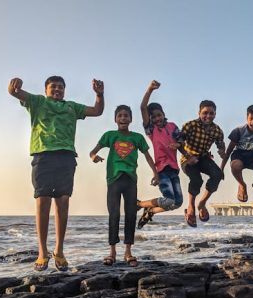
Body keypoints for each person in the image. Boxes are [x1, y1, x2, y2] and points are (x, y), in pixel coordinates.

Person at [8, 76, 104, 271]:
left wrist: (99, 94)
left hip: (66, 157)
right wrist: (14, 86)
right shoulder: (37, 102)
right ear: (46, 90)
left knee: (63, 202)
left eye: (61, 87)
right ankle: (42, 252)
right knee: (42, 201)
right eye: (53, 87)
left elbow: (97, 111)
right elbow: (15, 93)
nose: (57, 90)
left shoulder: (72, 107)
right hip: (42, 156)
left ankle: (59, 251)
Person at [89, 105, 158, 267]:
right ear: (115, 119)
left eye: (126, 116)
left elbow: (148, 156)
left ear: (131, 119)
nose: (123, 118)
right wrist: (94, 157)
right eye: (120, 116)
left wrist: (156, 173)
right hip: (113, 179)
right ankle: (112, 251)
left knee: (130, 214)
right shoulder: (110, 136)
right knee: (114, 214)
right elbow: (93, 151)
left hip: (130, 179)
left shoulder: (137, 138)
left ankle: (128, 251)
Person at [135, 80, 184, 229]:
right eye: (153, 117)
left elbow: (182, 141)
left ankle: (150, 212)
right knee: (169, 200)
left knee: (178, 203)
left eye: (159, 115)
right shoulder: (152, 130)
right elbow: (143, 107)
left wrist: (178, 144)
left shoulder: (172, 126)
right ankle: (140, 204)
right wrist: (150, 89)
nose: (157, 119)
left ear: (163, 114)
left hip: (174, 169)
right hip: (161, 169)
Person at [181, 100, 227, 227]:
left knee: (218, 174)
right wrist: (188, 156)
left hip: (203, 157)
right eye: (205, 113)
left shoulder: (217, 130)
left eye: (211, 113)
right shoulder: (190, 125)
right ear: (199, 113)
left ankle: (201, 204)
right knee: (197, 180)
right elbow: (179, 143)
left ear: (215, 114)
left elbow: (220, 143)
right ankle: (191, 206)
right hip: (188, 158)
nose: (208, 116)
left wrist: (221, 151)